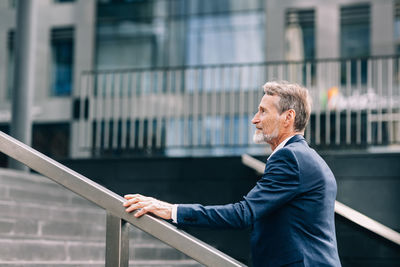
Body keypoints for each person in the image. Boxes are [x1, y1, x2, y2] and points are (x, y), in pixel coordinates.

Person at [123, 81, 341, 267]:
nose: (255, 119)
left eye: (263, 111)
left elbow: (242, 214)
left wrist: (171, 210)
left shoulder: (291, 159)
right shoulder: (307, 158)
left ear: (288, 117)